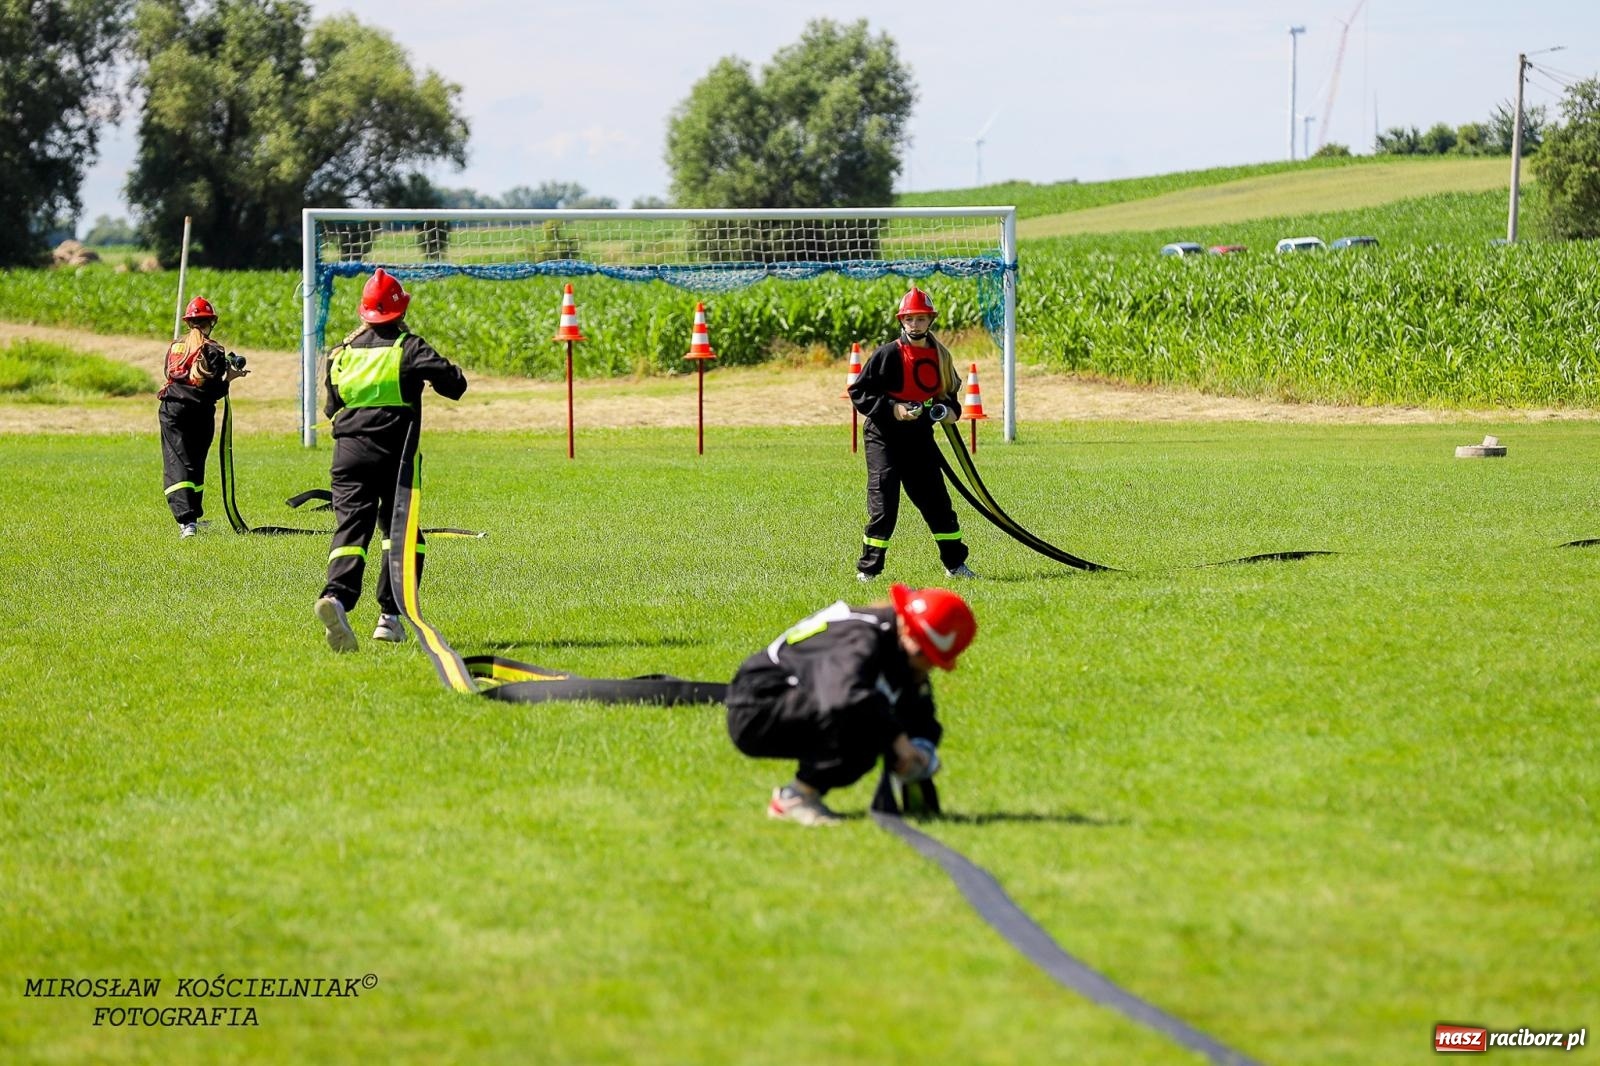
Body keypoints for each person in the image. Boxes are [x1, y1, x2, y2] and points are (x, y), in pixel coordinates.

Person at [726, 583, 976, 826]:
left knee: (874, 717)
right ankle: (795, 799)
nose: (928, 667)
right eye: (925, 656)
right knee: (866, 723)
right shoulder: (861, 636)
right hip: (758, 707)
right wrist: (898, 740)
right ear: (908, 632)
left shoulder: (898, 645)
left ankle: (800, 795)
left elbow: (918, 709)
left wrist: (922, 749)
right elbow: (844, 694)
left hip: (793, 697)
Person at [313, 268, 468, 652]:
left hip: (346, 456)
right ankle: (390, 618)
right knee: (403, 539)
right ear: (399, 311)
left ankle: (335, 598)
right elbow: (455, 385)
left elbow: (332, 406)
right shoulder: (408, 348)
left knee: (352, 531)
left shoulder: (340, 353)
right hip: (394, 457)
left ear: (364, 312)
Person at [847, 286, 977, 582]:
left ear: (930, 321)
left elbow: (949, 398)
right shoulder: (887, 354)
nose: (915, 324)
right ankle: (868, 571)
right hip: (884, 438)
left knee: (938, 505)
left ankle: (956, 566)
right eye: (910, 319)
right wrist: (894, 409)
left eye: (921, 319)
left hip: (919, 440)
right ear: (901, 321)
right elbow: (859, 392)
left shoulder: (941, 356)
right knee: (885, 504)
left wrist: (950, 412)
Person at [159, 296, 249, 539]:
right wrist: (230, 378)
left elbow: (169, 374)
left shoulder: (175, 346)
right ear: (211, 322)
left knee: (178, 462)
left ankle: (189, 520)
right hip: (200, 412)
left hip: (172, 410)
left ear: (189, 323)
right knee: (195, 462)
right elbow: (211, 390)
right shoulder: (214, 350)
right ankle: (189, 520)